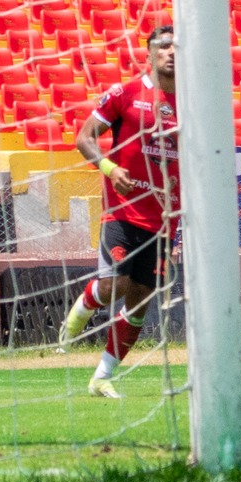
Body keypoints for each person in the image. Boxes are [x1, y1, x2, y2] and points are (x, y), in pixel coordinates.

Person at [59, 25, 178, 399]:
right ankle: (81, 310)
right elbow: (84, 138)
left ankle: (102, 377)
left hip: (164, 219)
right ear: (149, 53)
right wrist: (111, 169)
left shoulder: (194, 103)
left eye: (178, 47)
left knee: (141, 299)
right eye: (164, 46)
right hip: (122, 210)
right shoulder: (124, 94)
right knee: (115, 286)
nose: (172, 52)